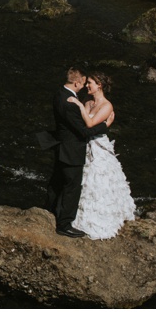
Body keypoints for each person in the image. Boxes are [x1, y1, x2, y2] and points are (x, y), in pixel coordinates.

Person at [66, 71, 136, 239]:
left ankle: (100, 218)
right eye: (88, 82)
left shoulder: (107, 106)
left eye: (90, 82)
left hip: (97, 146)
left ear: (100, 85)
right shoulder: (88, 101)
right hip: (84, 144)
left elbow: (89, 124)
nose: (87, 85)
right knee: (82, 180)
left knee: (98, 180)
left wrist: (79, 105)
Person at [43, 66, 110, 238]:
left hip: (61, 146)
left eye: (90, 83)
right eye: (84, 83)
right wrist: (105, 126)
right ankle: (64, 224)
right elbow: (84, 132)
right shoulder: (70, 103)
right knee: (72, 187)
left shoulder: (60, 94)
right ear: (77, 82)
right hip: (71, 149)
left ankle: (49, 211)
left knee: (57, 182)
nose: (85, 86)